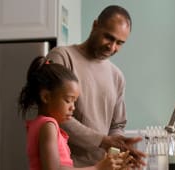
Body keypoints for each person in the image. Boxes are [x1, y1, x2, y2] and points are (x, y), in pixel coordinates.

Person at [46, 5, 145, 168]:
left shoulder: (117, 76)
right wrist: (102, 141)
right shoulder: (62, 57)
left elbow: (117, 125)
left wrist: (118, 150)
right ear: (95, 25)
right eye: (109, 37)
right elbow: (54, 113)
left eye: (119, 43)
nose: (112, 47)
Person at [18, 56, 131, 170]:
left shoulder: (39, 124)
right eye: (68, 100)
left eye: (74, 101)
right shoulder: (49, 126)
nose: (73, 107)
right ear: (46, 97)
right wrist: (97, 168)